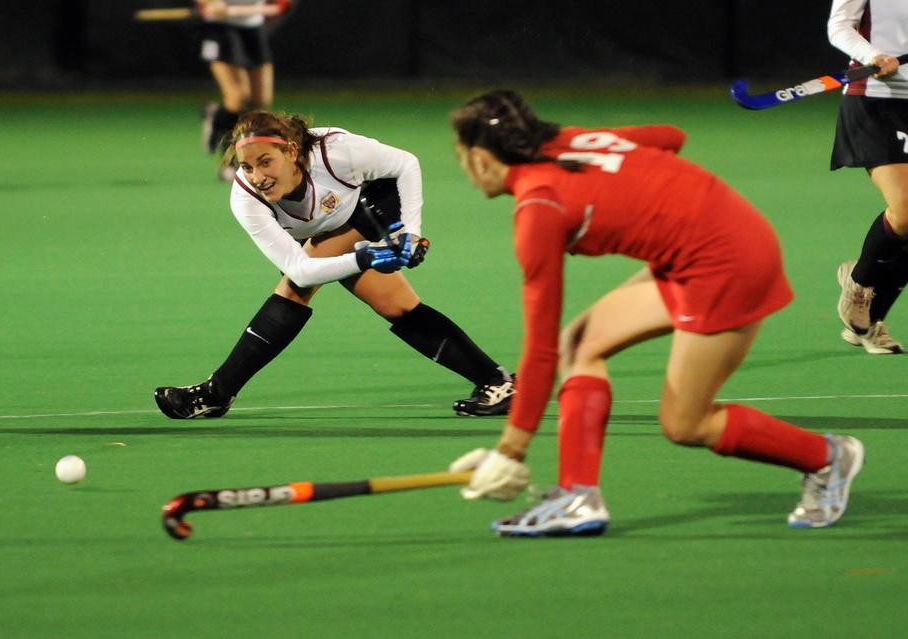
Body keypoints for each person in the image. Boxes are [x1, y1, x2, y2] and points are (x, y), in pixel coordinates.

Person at [446, 90, 865, 537]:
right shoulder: (571, 142)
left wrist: (512, 448)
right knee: (580, 344)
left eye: (460, 159)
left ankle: (827, 457)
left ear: (481, 159)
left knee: (685, 423)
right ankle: (578, 496)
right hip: (713, 243)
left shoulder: (538, 209)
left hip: (726, 266)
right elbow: (670, 136)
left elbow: (539, 346)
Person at [154, 110, 516, 419]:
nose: (258, 176)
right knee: (395, 304)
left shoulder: (337, 153)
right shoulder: (246, 198)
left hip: (373, 203)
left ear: (292, 151)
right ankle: (496, 380)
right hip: (330, 229)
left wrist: (409, 232)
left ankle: (217, 394)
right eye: (247, 166)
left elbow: (406, 164)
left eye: (266, 162)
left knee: (295, 291)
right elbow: (298, 266)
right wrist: (366, 256)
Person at [829, 0, 908, 354]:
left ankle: (868, 319)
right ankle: (859, 286)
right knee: (905, 211)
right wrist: (873, 55)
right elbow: (840, 26)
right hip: (877, 101)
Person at [197, 0, 291, 175]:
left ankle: (216, 114)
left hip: (252, 26)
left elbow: (282, 4)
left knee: (260, 101)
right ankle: (229, 161)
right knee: (238, 97)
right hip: (221, 28)